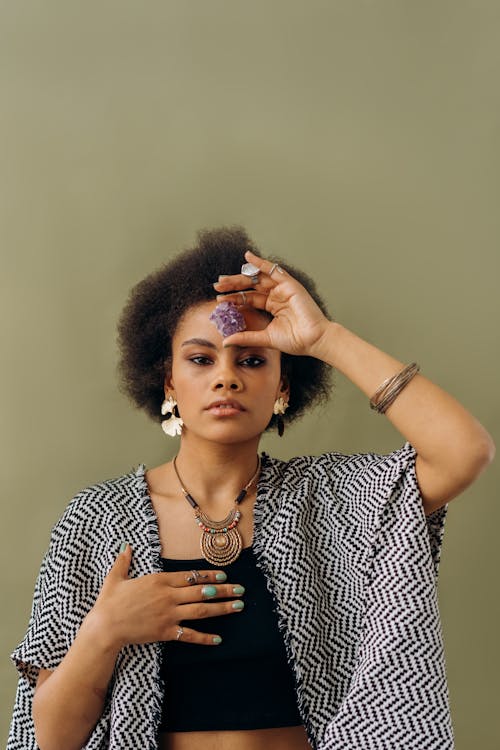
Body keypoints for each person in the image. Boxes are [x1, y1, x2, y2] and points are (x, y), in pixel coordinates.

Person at [7, 226, 495, 750]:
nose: (226, 377)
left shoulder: (332, 502)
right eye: (200, 359)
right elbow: (52, 740)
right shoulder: (97, 521)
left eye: (252, 359)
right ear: (169, 381)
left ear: (283, 385)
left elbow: (463, 451)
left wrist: (324, 338)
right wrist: (106, 630)